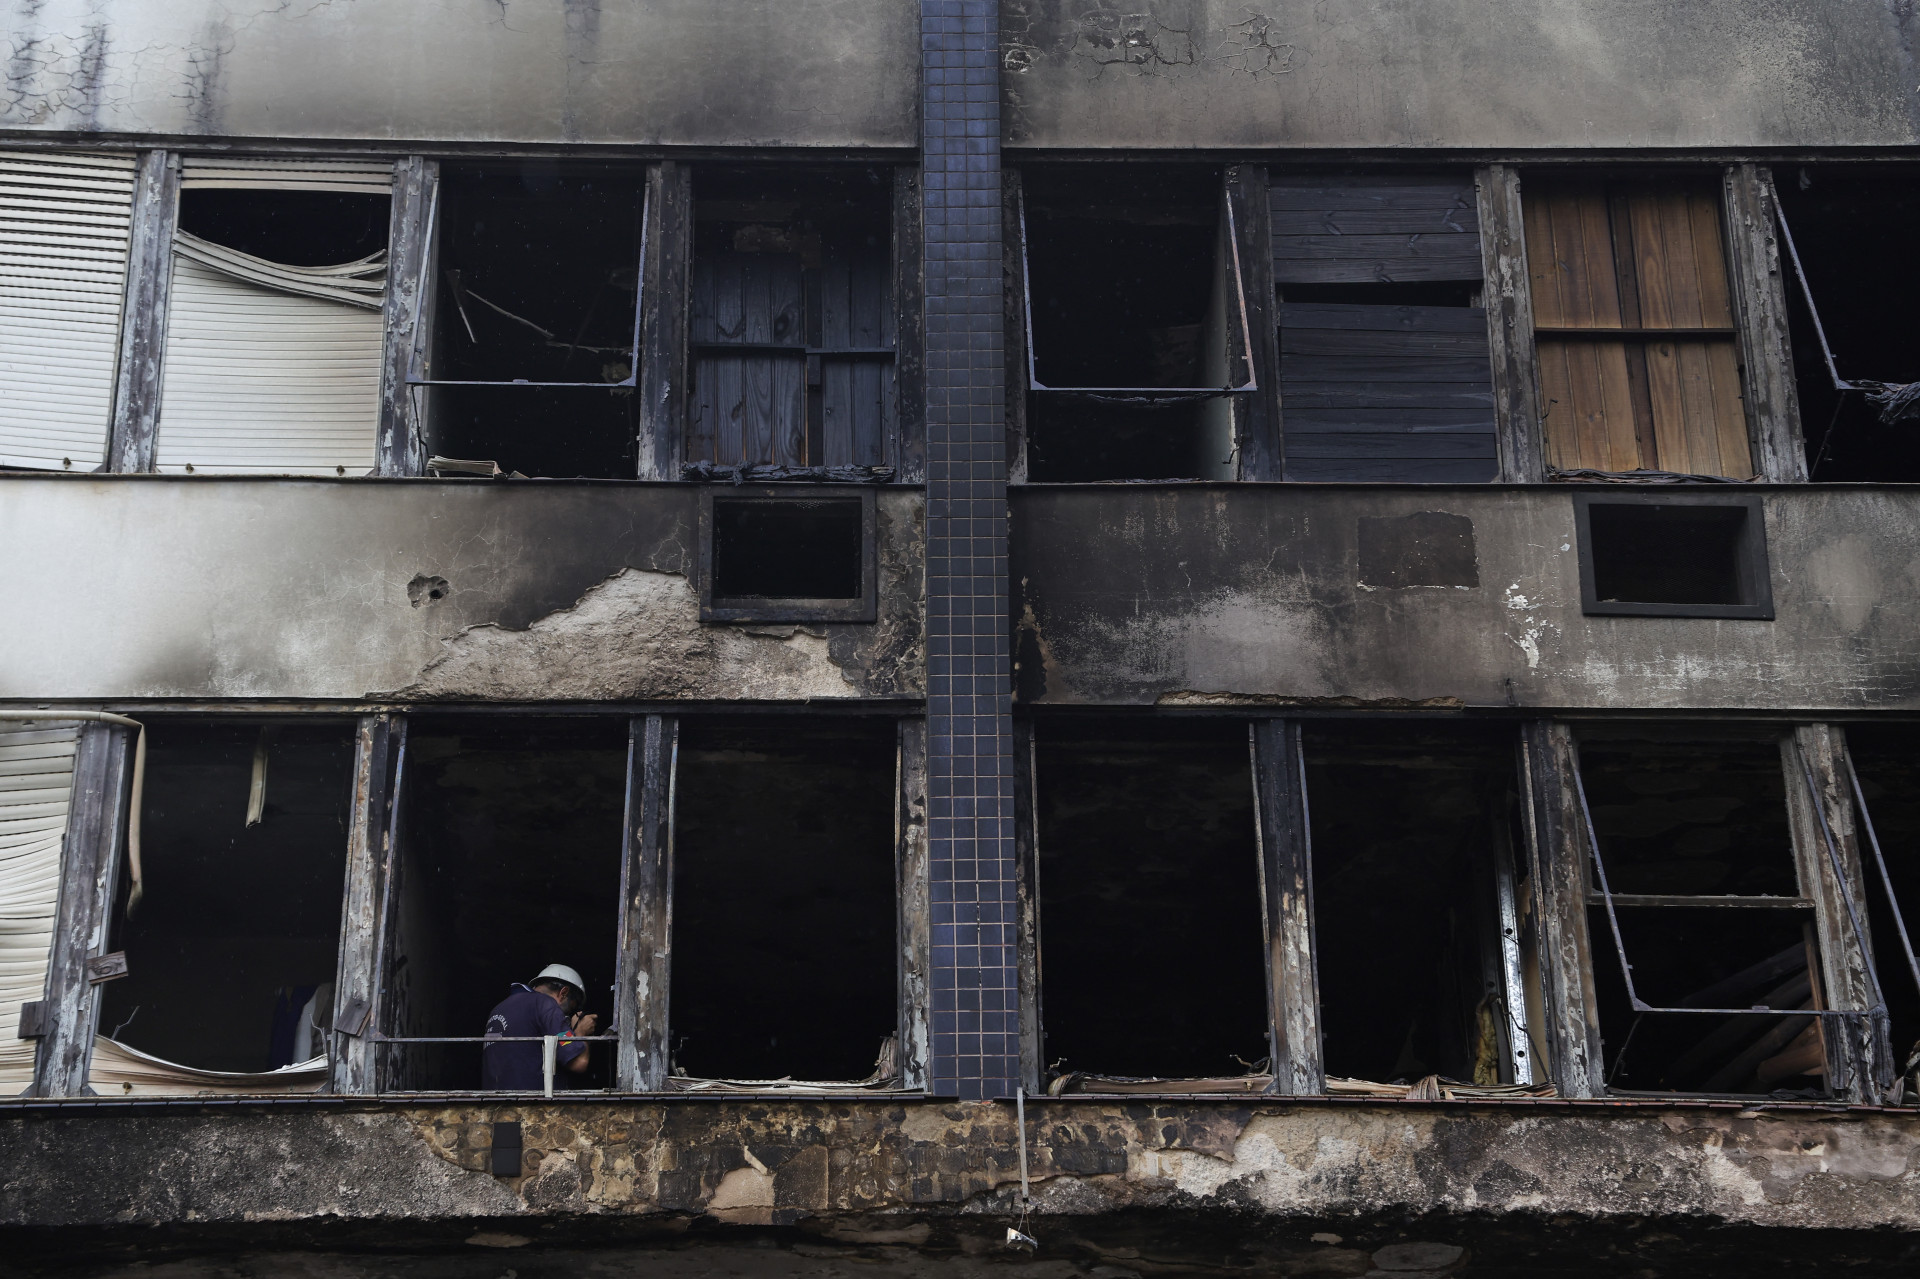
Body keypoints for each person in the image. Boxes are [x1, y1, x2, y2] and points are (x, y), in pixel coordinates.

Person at [481, 964, 599, 1090]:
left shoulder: (498, 1008)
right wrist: (582, 1031)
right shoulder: (546, 1005)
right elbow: (579, 1063)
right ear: (563, 993)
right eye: (571, 1008)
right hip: (531, 1104)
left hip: (493, 1101)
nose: (566, 1016)